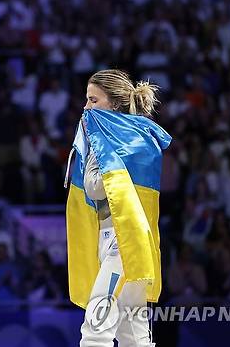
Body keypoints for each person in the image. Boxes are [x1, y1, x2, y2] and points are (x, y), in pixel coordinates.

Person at [70, 69, 169, 346]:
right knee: (133, 337)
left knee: (96, 326)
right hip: (111, 239)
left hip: (124, 240)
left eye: (93, 100)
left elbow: (95, 187)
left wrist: (95, 150)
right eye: (87, 100)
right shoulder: (110, 137)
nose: (86, 108)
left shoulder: (135, 139)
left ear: (113, 104)